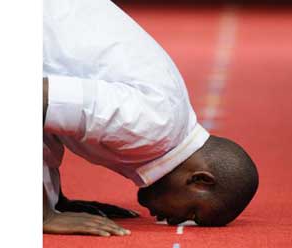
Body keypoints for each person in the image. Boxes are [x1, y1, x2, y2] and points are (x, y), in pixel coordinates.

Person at [42, 0, 259, 237]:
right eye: (193, 214)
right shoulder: (152, 126)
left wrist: (54, 201)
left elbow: (50, 117)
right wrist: (41, 214)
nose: (175, 220)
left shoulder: (166, 127)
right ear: (200, 180)